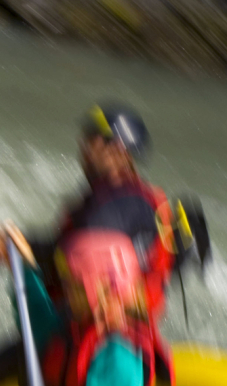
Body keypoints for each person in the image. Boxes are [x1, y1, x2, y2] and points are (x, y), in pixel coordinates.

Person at [0, 224, 172, 386]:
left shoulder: (119, 356)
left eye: (76, 287)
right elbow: (40, 326)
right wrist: (22, 267)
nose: (67, 293)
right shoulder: (78, 325)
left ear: (107, 291)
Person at [27, 103, 176, 319]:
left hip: (107, 325)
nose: (82, 147)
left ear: (117, 150)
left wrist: (25, 246)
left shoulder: (126, 200)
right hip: (104, 318)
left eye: (91, 140)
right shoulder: (138, 198)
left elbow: (79, 247)